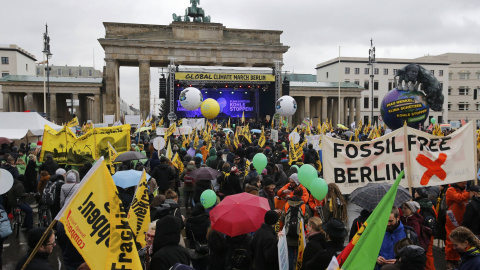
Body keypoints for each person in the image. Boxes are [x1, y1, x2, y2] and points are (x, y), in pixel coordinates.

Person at [280, 186, 310, 270]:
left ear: (293, 193)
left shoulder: (286, 205)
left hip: (288, 235)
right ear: (301, 195)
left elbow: (282, 219)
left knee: (290, 255)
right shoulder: (304, 207)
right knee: (299, 256)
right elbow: (308, 222)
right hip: (300, 236)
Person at [445, 181, 470, 269]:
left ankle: (456, 258)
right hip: (452, 217)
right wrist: (469, 193)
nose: (464, 185)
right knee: (451, 238)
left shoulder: (463, 190)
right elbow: (458, 198)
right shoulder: (450, 189)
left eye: (465, 183)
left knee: (460, 238)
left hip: (461, 217)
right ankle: (450, 260)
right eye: (462, 183)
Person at [185, 204, 210, 270]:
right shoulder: (207, 221)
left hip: (194, 247)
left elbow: (188, 236)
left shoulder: (189, 222)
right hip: (205, 247)